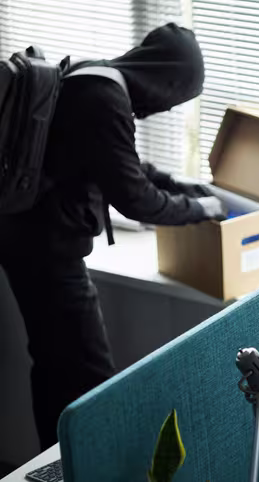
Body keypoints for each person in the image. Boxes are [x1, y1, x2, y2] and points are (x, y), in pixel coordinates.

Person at [0, 23, 224, 449]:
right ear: (165, 80)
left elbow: (118, 163)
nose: (168, 108)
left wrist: (178, 183)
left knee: (52, 364)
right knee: (90, 378)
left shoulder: (90, 75)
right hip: (48, 253)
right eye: (176, 96)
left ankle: (52, 464)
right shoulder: (105, 100)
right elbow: (135, 199)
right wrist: (202, 210)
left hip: (24, 241)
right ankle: (72, 467)